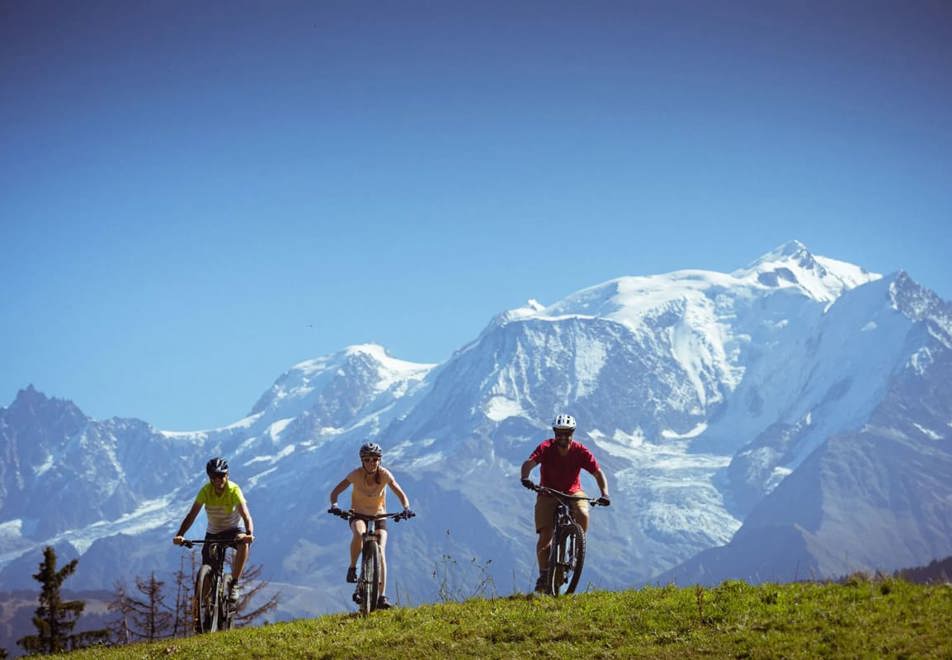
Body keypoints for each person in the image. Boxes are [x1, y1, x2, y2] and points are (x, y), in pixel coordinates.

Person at [520, 413, 610, 592]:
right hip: (548, 492)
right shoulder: (546, 447)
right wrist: (525, 477)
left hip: (572, 491)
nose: (563, 436)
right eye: (559, 433)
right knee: (545, 537)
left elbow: (598, 473)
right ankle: (544, 574)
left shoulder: (580, 451)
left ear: (572, 433)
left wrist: (605, 493)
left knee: (583, 513)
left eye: (567, 433)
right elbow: (530, 463)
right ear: (554, 433)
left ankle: (577, 547)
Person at [329, 442, 412, 610]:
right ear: (362, 461)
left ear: (380, 460)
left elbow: (400, 493)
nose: (371, 463)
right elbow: (335, 492)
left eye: (375, 459)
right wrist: (335, 505)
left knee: (381, 550)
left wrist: (406, 508)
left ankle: (381, 596)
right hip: (358, 515)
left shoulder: (385, 475)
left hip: (379, 516)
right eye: (367, 459)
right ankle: (353, 567)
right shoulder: (355, 475)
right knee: (359, 534)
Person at [173, 457, 254, 601]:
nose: (218, 480)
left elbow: (246, 515)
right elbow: (192, 515)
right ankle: (203, 612)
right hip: (214, 532)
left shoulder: (234, 490)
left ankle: (234, 583)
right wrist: (180, 535)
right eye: (214, 476)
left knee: (244, 544)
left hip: (234, 529)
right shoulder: (205, 491)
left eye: (222, 476)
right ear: (210, 477)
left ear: (227, 476)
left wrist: (248, 534)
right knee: (207, 572)